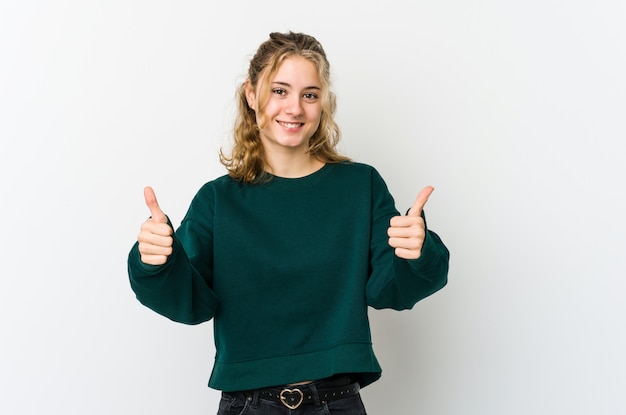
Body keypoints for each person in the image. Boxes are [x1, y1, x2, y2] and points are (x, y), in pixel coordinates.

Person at [128, 31, 449, 415]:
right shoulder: (218, 200)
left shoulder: (360, 186)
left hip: (337, 402)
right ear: (251, 94)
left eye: (309, 94)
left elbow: (389, 291)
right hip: (248, 404)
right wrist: (153, 260)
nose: (294, 108)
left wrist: (418, 252)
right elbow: (190, 303)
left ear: (323, 102)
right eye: (280, 91)